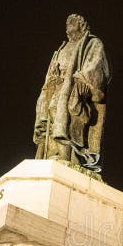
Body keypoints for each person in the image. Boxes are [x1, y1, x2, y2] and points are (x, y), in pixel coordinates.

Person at [34, 14, 111, 170]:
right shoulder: (62, 47)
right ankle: (49, 154)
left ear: (81, 24)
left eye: (73, 21)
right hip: (55, 87)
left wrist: (83, 81)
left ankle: (66, 156)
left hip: (74, 90)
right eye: (67, 21)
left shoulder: (92, 43)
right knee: (45, 111)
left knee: (60, 110)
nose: (68, 22)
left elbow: (97, 66)